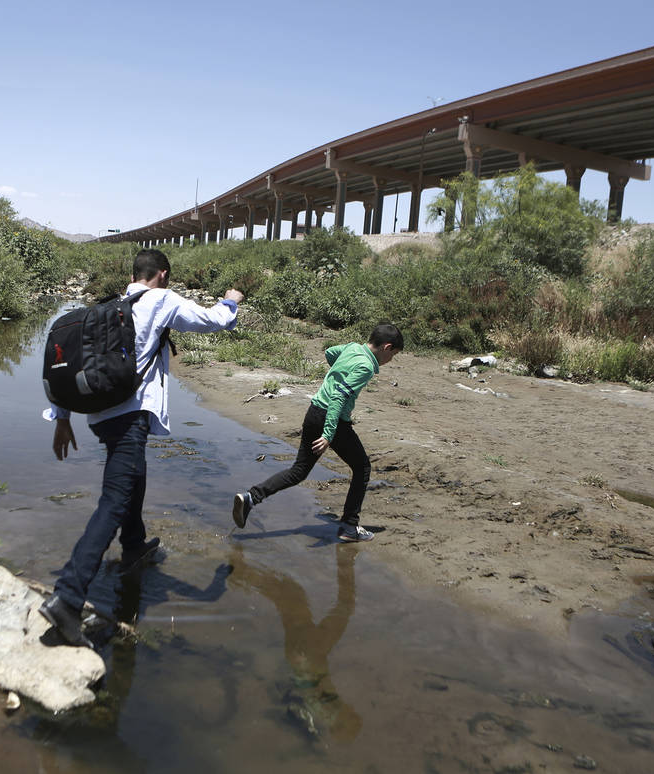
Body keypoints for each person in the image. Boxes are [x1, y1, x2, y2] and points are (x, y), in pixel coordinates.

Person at [40, 248, 244, 647]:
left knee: (134, 476)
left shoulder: (109, 307)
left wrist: (62, 418)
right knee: (115, 498)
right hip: (131, 416)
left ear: (133, 275)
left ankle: (133, 547)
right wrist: (231, 301)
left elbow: (72, 361)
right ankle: (67, 596)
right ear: (163, 275)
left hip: (100, 414)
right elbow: (212, 321)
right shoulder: (160, 299)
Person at [232, 323, 403, 543]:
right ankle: (349, 527)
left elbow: (330, 353)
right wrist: (329, 434)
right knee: (362, 468)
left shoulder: (352, 348)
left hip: (314, 411)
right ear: (387, 347)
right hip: (332, 420)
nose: (391, 360)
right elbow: (339, 397)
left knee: (299, 470)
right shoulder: (366, 366)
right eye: (394, 355)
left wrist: (338, 372)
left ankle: (251, 497)